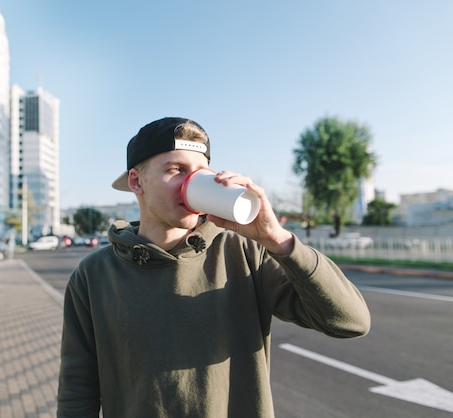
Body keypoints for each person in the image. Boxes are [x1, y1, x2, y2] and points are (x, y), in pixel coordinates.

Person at [57, 117, 371, 418]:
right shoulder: (94, 274)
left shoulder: (245, 252)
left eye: (202, 172)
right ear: (137, 181)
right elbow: (77, 390)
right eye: (176, 169)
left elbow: (351, 322)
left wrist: (279, 241)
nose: (190, 183)